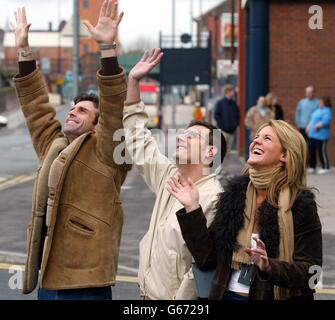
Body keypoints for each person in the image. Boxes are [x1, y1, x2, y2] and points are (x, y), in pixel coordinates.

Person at [12, 1, 130, 300]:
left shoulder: (107, 150)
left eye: (83, 111)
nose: (73, 112)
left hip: (84, 283)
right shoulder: (55, 144)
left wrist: (107, 49)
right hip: (50, 280)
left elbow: (114, 107)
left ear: (96, 126)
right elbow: (36, 107)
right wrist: (24, 50)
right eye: (73, 107)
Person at [169, 120, 322, 300]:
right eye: (256, 137)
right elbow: (206, 258)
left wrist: (268, 266)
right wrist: (192, 208)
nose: (256, 141)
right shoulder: (235, 195)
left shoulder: (300, 204)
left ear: (285, 155)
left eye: (267, 138)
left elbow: (312, 273)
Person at [122, 48, 226, 299]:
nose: (180, 137)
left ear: (211, 151)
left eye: (191, 136)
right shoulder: (170, 177)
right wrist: (133, 82)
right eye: (182, 133)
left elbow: (202, 267)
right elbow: (138, 140)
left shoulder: (215, 198)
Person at [214, 84, 240, 174]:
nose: (232, 93)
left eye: (232, 91)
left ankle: (225, 170)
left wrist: (235, 125)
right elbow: (216, 115)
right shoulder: (220, 103)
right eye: (231, 91)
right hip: (222, 131)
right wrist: (222, 126)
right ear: (227, 92)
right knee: (219, 151)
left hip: (231, 132)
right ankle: (218, 170)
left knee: (227, 152)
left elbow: (238, 116)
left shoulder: (234, 105)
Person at [306, 96, 333, 174]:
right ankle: (312, 167)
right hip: (312, 135)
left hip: (321, 136)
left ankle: (325, 167)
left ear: (325, 103)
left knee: (321, 151)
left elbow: (326, 121)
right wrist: (308, 126)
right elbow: (312, 120)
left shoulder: (327, 110)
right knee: (311, 150)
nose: (319, 103)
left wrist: (319, 125)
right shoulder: (317, 110)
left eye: (321, 102)